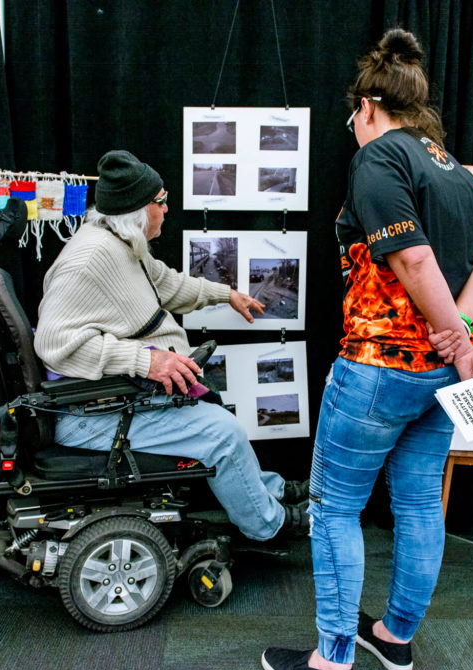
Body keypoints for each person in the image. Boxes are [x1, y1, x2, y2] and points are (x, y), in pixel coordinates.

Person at [262, 28, 473, 670]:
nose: (353, 130)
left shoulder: (379, 158)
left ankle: (332, 657)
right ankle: (394, 636)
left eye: (353, 119)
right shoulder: (455, 170)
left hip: (381, 366)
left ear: (368, 106)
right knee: (420, 504)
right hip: (442, 375)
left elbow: (414, 259)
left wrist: (454, 337)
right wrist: (460, 335)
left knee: (335, 507)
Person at [33, 150, 309, 542]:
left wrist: (225, 294)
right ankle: (268, 525)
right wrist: (144, 361)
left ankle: (271, 492)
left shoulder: (120, 243)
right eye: (161, 201)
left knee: (219, 422)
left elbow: (166, 284)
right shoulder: (89, 259)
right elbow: (52, 342)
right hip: (87, 416)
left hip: (108, 402)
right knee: (222, 433)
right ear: (137, 211)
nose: (166, 209)